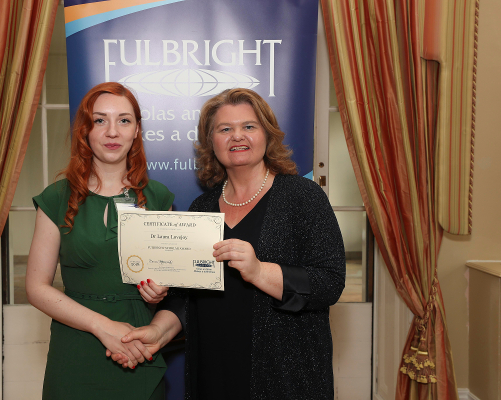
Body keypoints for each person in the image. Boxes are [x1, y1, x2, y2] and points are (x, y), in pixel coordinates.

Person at [111, 88, 346, 399]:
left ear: (267, 134)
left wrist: (259, 271)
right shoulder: (202, 207)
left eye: (249, 126)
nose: (238, 136)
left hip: (283, 376)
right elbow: (185, 297)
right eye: (225, 129)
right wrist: (158, 332)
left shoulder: (302, 197)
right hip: (213, 371)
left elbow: (329, 283)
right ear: (212, 142)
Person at [26, 82, 173, 400]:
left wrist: (160, 291)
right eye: (100, 120)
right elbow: (36, 287)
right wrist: (102, 326)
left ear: (136, 131)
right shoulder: (57, 198)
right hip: (76, 347)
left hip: (138, 346)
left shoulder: (159, 197)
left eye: (124, 120)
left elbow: (172, 286)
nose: (112, 132)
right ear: (85, 130)